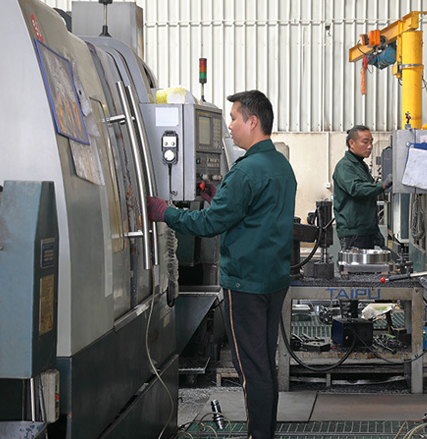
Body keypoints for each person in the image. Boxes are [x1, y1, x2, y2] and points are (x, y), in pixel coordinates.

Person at [147, 90, 297, 439]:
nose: (229, 126)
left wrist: (165, 213)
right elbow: (253, 212)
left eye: (233, 118)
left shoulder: (245, 172)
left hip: (245, 285)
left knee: (251, 371)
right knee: (263, 365)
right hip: (272, 281)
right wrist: (221, 199)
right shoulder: (280, 166)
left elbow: (209, 224)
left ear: (252, 122)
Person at [332, 125, 392, 251]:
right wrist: (382, 185)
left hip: (366, 231)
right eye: (365, 142)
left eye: (371, 142)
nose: (370, 146)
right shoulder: (345, 166)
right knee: (355, 264)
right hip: (353, 233)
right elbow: (357, 189)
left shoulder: (361, 165)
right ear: (351, 143)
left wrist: (374, 230)